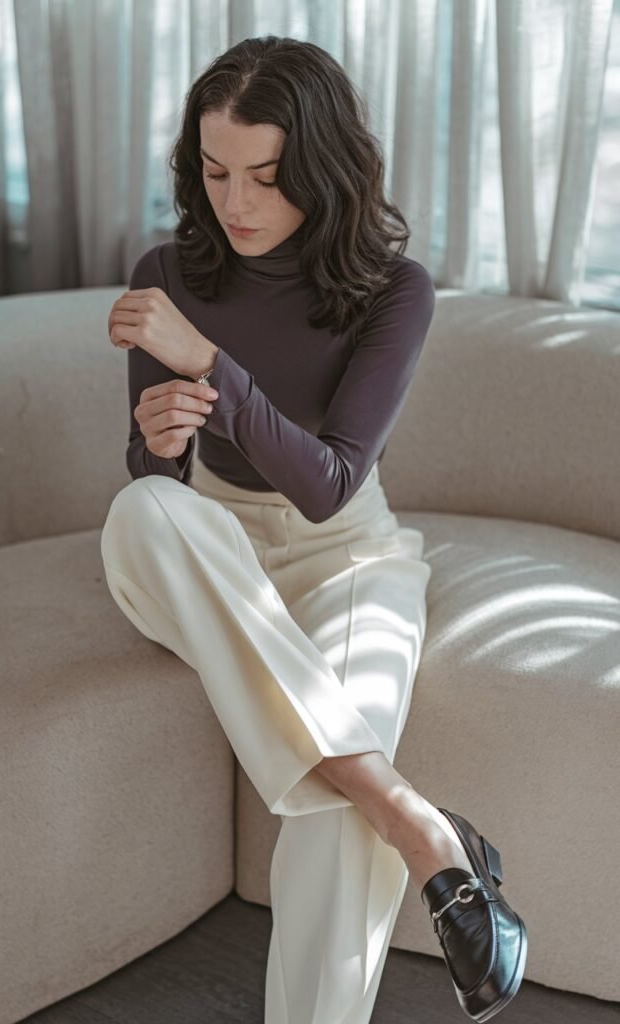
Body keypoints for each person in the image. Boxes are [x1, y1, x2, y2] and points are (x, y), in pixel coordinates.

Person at [100, 35, 527, 1024]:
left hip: (346, 558)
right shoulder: (165, 271)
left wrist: (209, 366)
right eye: (215, 173)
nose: (235, 202)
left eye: (265, 176)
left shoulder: (394, 290)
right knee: (143, 509)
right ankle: (422, 828)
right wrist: (159, 440)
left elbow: (329, 485)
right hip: (204, 552)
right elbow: (157, 477)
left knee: (336, 811)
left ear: (324, 169)